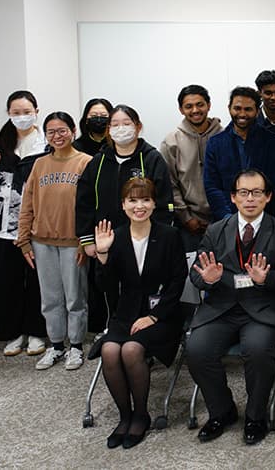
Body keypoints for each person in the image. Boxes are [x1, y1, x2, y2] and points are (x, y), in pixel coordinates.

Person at [186, 169, 275, 446]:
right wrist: (206, 279)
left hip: (263, 309)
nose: (250, 199)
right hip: (221, 307)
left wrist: (268, 278)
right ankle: (222, 411)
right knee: (197, 349)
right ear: (233, 198)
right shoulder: (215, 230)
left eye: (257, 192)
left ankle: (255, 416)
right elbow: (196, 274)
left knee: (258, 351)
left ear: (268, 197)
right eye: (244, 193)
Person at [90, 177, 187, 449]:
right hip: (127, 313)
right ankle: (125, 417)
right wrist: (103, 254)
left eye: (145, 199)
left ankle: (141, 415)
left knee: (131, 350)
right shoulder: (116, 237)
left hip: (163, 314)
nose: (139, 206)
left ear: (154, 204)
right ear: (123, 205)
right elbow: (106, 287)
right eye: (132, 200)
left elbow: (178, 281)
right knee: (110, 351)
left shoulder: (169, 235)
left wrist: (154, 317)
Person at [75, 104, 173, 332]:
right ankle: (113, 331)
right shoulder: (98, 162)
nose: (121, 129)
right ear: (109, 129)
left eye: (126, 124)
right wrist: (88, 240)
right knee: (109, 288)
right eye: (115, 125)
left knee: (143, 288)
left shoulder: (151, 159)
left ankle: (142, 337)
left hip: (144, 241)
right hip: (107, 241)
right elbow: (84, 201)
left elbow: (164, 201)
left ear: (138, 127)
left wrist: (157, 238)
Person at [16, 111, 92, 371]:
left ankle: (77, 347)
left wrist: (85, 241)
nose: (57, 136)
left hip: (73, 242)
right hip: (42, 241)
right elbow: (27, 205)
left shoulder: (86, 162)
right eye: (51, 132)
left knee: (75, 298)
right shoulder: (39, 165)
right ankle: (56, 345)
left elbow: (92, 207)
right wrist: (24, 240)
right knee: (50, 298)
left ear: (73, 131)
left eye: (62, 130)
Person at [0, 90, 47, 357]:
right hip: (3, 226)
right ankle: (13, 334)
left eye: (26, 111)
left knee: (38, 281)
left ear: (36, 111)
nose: (22, 117)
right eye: (16, 113)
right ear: (8, 114)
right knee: (8, 281)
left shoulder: (46, 143)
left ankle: (38, 333)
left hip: (38, 224)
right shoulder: (0, 142)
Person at [203, 87, 275, 221]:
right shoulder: (215, 143)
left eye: (248, 109)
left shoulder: (272, 142)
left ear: (257, 111)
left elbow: (274, 182)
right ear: (229, 108)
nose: (242, 114)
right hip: (226, 219)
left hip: (264, 218)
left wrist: (255, 214)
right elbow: (212, 186)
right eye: (237, 108)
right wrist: (228, 217)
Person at [159, 84, 224, 252]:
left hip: (224, 219)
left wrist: (226, 215)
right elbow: (170, 184)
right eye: (189, 106)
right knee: (192, 272)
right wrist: (186, 218)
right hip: (188, 224)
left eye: (200, 104)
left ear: (209, 105)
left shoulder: (224, 136)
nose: (195, 110)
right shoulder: (171, 142)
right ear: (181, 109)